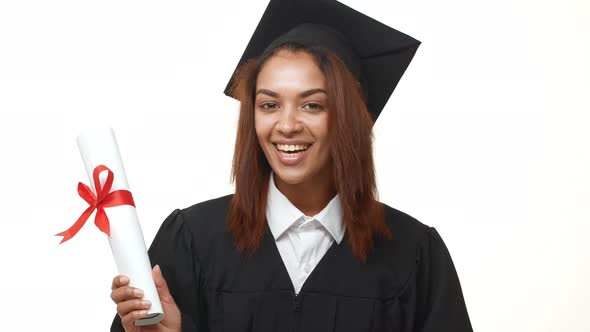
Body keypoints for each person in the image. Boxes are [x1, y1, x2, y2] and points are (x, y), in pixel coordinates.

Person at [110, 0, 473, 331]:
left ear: (348, 117)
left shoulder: (413, 255)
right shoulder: (192, 241)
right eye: (269, 105)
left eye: (312, 105)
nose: (286, 125)